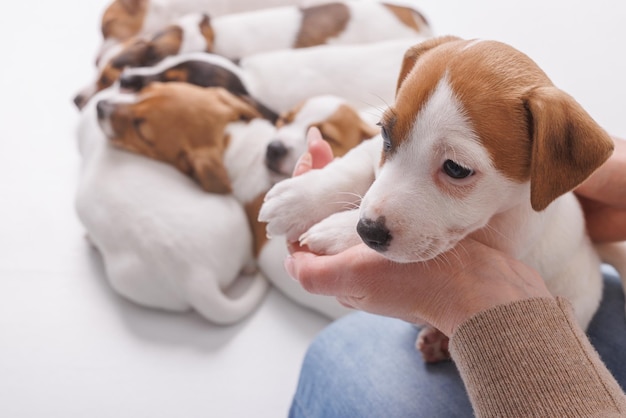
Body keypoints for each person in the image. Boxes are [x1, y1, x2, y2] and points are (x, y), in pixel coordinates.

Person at [285, 128, 626, 417]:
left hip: (563, 312)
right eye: (389, 134)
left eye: (456, 168)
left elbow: (482, 261)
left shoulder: (529, 215)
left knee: (335, 357)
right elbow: (382, 148)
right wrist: (329, 186)